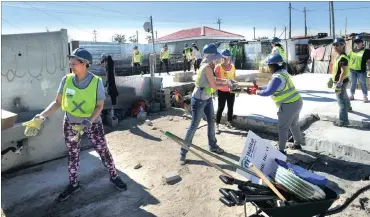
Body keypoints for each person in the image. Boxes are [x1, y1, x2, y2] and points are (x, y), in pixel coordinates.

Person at [22, 48, 127, 202]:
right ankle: (73, 184)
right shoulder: (66, 80)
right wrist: (41, 116)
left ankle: (114, 176)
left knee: (103, 151)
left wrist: (88, 121)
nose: (71, 65)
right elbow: (58, 102)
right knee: (73, 154)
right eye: (70, 62)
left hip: (92, 124)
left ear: (84, 63)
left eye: (74, 63)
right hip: (71, 123)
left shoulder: (95, 82)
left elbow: (99, 106)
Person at [179, 44, 237, 165]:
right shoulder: (207, 68)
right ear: (211, 57)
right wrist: (227, 84)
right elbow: (214, 85)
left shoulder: (208, 66)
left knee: (211, 121)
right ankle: (183, 152)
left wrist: (227, 81)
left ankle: (213, 146)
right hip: (199, 100)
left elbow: (215, 81)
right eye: (216, 57)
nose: (217, 60)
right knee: (194, 125)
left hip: (207, 98)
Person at [253, 53, 304, 153]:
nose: (268, 67)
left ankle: (280, 150)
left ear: (274, 65)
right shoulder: (283, 74)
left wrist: (257, 92)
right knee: (294, 125)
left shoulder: (277, 77)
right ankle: (297, 144)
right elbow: (272, 87)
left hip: (288, 105)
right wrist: (259, 87)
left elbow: (268, 91)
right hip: (297, 102)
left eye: (269, 65)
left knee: (283, 128)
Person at [331, 38, 352, 127]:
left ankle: (343, 121)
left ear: (343, 45)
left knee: (341, 101)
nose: (336, 47)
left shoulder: (343, 58)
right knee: (344, 96)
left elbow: (343, 72)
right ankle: (349, 107)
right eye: (335, 45)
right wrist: (331, 79)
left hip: (341, 82)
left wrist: (339, 83)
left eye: (339, 45)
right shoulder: (338, 56)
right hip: (342, 80)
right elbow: (338, 70)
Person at [215, 49, 236, 133]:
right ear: (221, 58)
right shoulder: (218, 67)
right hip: (222, 91)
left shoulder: (233, 67)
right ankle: (217, 124)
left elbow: (234, 78)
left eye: (227, 58)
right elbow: (215, 79)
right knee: (221, 108)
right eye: (224, 58)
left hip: (231, 91)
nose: (226, 59)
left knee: (230, 107)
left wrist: (236, 88)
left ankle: (229, 122)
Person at [348, 35, 370, 103]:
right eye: (356, 42)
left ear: (362, 42)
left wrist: (369, 69)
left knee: (363, 83)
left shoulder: (366, 51)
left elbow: (369, 61)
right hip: (352, 71)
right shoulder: (352, 50)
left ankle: (365, 96)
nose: (358, 43)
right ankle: (351, 95)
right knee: (352, 83)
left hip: (361, 71)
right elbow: (348, 59)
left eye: (359, 41)